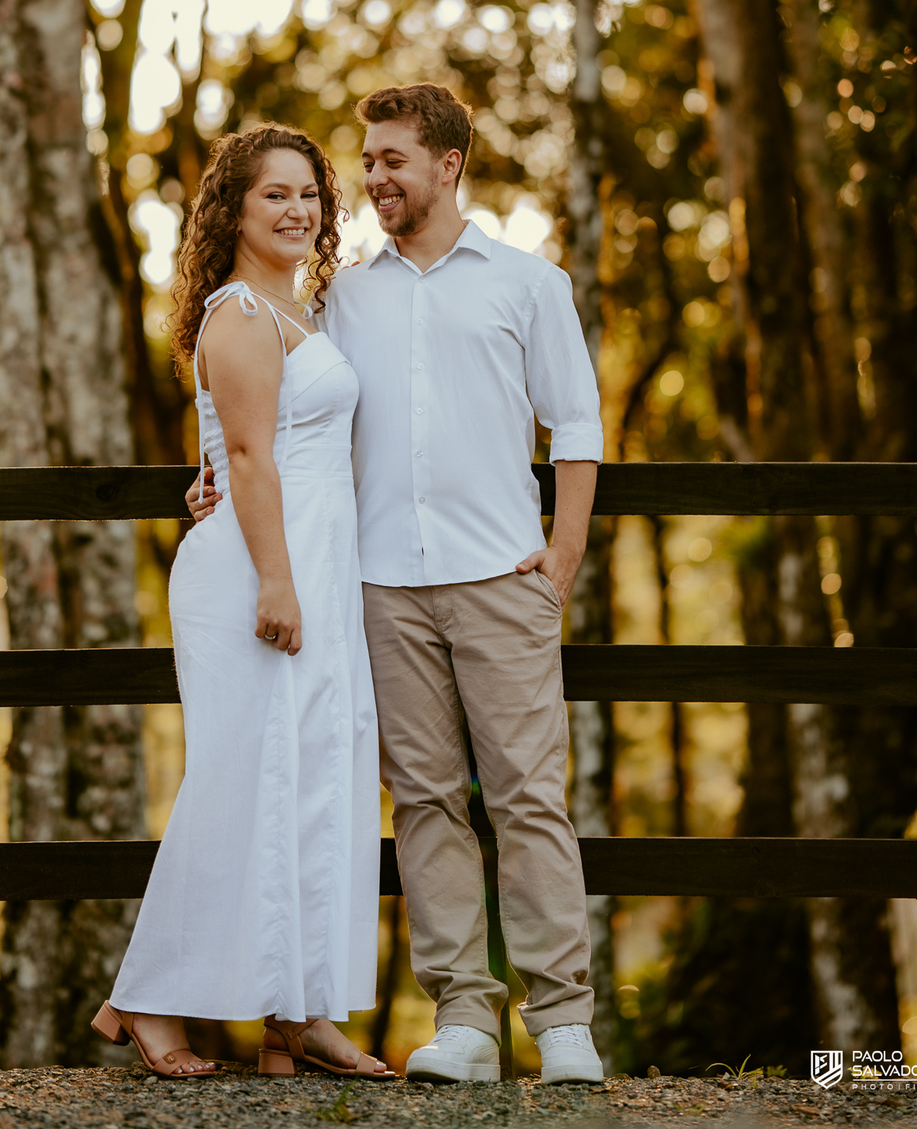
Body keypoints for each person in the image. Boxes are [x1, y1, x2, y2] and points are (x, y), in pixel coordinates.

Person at [192, 83, 605, 1086]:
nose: (370, 179)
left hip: (503, 578)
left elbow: (579, 426)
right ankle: (465, 1019)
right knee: (423, 802)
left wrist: (562, 559)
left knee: (526, 801)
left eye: (391, 161)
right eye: (366, 161)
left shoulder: (527, 282)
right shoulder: (341, 298)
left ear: (448, 165)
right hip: (378, 589)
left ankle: (563, 1028)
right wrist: (208, 466)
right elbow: (267, 398)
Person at [97, 123, 391, 1082]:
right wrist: (274, 576)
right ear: (233, 209)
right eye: (276, 193)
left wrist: (214, 481)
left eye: (310, 194)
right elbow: (254, 455)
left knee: (316, 782)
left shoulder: (299, 314)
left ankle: (297, 1016)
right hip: (264, 575)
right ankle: (143, 1001)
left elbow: (241, 449)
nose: (299, 209)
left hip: (315, 568)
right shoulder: (238, 316)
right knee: (240, 778)